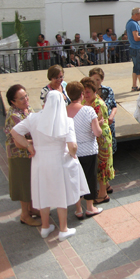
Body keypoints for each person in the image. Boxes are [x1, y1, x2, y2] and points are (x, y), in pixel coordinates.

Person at [11, 91, 90, 241]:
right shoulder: (66, 121)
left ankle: (45, 227)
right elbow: (72, 146)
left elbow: (15, 132)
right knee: (60, 194)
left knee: (43, 192)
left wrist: (28, 146)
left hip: (39, 161)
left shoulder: (33, 118)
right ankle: (63, 229)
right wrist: (73, 154)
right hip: (59, 161)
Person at [66, 82, 104, 219]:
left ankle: (77, 209)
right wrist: (99, 124)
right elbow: (97, 133)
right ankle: (89, 207)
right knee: (90, 178)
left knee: (75, 179)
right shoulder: (88, 110)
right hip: (88, 149)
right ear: (81, 94)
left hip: (72, 151)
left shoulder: (64, 111)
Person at [4, 85, 40, 226]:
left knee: (30, 182)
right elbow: (20, 139)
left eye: (26, 95)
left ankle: (31, 208)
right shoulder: (14, 115)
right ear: (13, 102)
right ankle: (25, 215)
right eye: (21, 98)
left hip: (29, 151)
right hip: (19, 155)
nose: (26, 99)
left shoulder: (27, 109)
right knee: (24, 184)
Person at [81, 77, 114, 204]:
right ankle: (106, 186)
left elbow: (97, 125)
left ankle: (103, 194)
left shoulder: (98, 104)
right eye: (84, 92)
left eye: (88, 91)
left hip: (102, 137)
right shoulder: (86, 101)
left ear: (95, 91)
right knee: (101, 163)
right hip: (95, 135)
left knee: (102, 165)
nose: (85, 94)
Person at [89, 68, 118, 156]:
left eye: (98, 79)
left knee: (110, 146)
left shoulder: (108, 90)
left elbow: (114, 106)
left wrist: (111, 116)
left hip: (108, 123)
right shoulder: (87, 92)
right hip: (95, 124)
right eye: (93, 79)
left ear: (102, 80)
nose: (95, 82)